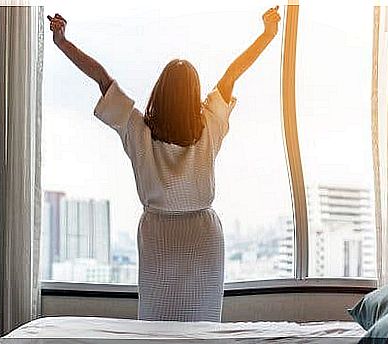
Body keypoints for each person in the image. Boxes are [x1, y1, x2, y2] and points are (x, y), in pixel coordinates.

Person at [47, 6, 281, 322]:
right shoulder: (210, 125)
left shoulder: (137, 128)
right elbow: (233, 73)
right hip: (203, 236)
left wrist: (62, 42)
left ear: (160, 91)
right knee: (203, 324)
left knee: (157, 322)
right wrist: (267, 34)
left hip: (158, 236)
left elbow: (103, 79)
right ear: (194, 95)